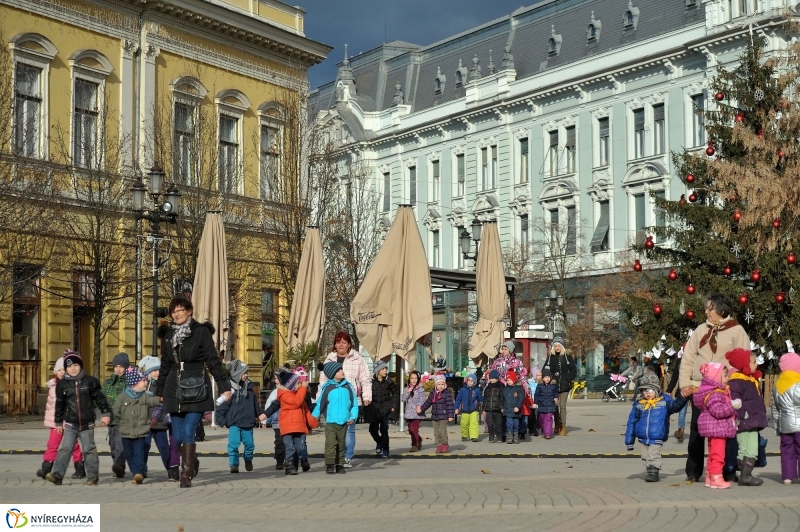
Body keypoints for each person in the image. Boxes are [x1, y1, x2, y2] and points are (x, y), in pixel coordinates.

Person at [155, 295, 231, 488]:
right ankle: (193, 460)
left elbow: (213, 360)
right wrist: (159, 390)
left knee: (189, 432)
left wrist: (224, 386)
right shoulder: (168, 335)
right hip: (174, 388)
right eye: (173, 311)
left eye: (180, 310)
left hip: (195, 386)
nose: (176, 314)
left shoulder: (200, 332)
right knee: (178, 436)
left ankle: (185, 474)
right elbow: (164, 365)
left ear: (189, 311)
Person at [679, 293, 750, 483]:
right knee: (696, 429)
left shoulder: (737, 331)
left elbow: (743, 360)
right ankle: (693, 471)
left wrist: (734, 384)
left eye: (709, 308)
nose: (706, 312)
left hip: (723, 390)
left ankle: (727, 470)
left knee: (726, 430)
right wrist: (685, 383)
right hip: (698, 388)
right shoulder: (700, 329)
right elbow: (688, 358)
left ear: (722, 310)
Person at [46, 351, 111, 486]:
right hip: (70, 423)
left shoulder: (90, 381)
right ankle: (57, 475)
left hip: (87, 423)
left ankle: (92, 477)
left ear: (80, 366)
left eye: (76, 365)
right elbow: (60, 405)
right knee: (65, 448)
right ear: (66, 369)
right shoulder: (62, 385)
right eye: (69, 367)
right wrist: (58, 422)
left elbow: (100, 399)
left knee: (89, 449)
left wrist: (106, 413)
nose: (73, 368)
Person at [318, 330, 372, 468]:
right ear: (334, 345)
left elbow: (365, 379)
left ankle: (347, 456)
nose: (340, 345)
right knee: (333, 430)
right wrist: (319, 402)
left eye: (344, 342)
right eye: (338, 342)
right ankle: (336, 456)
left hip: (350, 400)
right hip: (332, 402)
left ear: (349, 344)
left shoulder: (357, 358)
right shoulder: (329, 359)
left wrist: (366, 396)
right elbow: (322, 382)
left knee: (348, 430)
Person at [625, 372, 688, 482]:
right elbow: (632, 421)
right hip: (642, 435)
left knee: (653, 455)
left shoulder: (664, 401)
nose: (646, 393)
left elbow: (675, 406)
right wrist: (629, 441)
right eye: (644, 390)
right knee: (645, 456)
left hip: (657, 434)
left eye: (649, 390)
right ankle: (650, 469)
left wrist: (683, 397)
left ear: (656, 390)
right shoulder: (640, 403)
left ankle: (654, 471)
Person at [215, 360, 267, 474]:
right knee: (233, 445)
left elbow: (255, 404)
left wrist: (259, 415)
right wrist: (221, 420)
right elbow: (222, 407)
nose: (246, 375)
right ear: (237, 374)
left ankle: (248, 459)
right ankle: (234, 464)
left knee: (249, 445)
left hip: (248, 422)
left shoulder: (249, 388)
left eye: (247, 372)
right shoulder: (229, 390)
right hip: (233, 423)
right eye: (244, 373)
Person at [694, 362, 739, 489]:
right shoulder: (715, 393)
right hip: (717, 428)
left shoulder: (714, 392)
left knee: (713, 454)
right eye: (725, 376)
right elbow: (718, 411)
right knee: (718, 454)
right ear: (716, 378)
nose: (727, 378)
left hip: (714, 428)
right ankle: (716, 477)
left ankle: (710, 476)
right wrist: (732, 405)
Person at [113, 367, 161, 484]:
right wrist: (110, 418)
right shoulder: (122, 397)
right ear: (134, 383)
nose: (146, 382)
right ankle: (136, 471)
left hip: (141, 432)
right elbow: (115, 410)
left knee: (139, 453)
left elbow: (152, 401)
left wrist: (160, 399)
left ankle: (138, 473)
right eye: (143, 380)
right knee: (129, 454)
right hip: (126, 432)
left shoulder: (145, 396)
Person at [37, 356, 83, 480]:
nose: (61, 372)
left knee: (73, 445)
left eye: (64, 369)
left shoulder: (72, 385)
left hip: (69, 422)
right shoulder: (52, 386)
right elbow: (50, 406)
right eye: (59, 370)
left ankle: (80, 466)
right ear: (55, 372)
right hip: (55, 422)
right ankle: (46, 467)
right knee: (52, 444)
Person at [726, 348, 767, 486]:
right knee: (745, 448)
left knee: (752, 448)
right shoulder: (737, 382)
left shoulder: (751, 380)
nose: (756, 364)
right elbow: (735, 402)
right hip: (743, 421)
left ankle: (745, 474)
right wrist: (741, 416)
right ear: (745, 364)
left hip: (753, 421)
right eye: (754, 362)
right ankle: (745, 475)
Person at [138, 355, 179, 482]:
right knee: (144, 446)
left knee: (163, 447)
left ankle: (170, 469)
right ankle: (142, 469)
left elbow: (164, 402)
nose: (157, 373)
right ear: (148, 373)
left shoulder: (165, 384)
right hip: (145, 422)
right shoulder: (145, 385)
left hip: (160, 422)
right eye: (154, 371)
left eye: (159, 370)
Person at [313, 361, 359, 474]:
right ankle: (330, 464)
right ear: (332, 374)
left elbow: (354, 404)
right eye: (338, 370)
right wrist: (313, 417)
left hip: (344, 422)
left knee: (341, 444)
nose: (341, 371)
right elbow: (320, 404)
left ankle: (340, 465)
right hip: (330, 422)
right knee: (330, 444)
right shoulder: (328, 388)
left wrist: (353, 417)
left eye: (341, 369)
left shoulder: (348, 387)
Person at [772, 352, 800, 485]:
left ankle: (787, 477)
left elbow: (774, 408)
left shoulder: (777, 385)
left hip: (784, 425)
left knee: (787, 450)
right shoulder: (798, 384)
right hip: (799, 425)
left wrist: (777, 425)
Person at [277, 371, 312, 475]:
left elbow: (305, 410)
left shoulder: (297, 394)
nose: (299, 385)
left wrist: (312, 422)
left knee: (300, 447)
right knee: (290, 447)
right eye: (297, 383)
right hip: (288, 427)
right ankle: (288, 464)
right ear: (290, 385)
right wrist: (303, 388)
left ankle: (295, 464)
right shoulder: (284, 395)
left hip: (298, 426)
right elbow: (297, 402)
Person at [102, 351, 130, 478]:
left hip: (123, 419)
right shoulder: (108, 384)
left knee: (120, 444)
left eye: (121, 367)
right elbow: (100, 399)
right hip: (111, 419)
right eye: (116, 367)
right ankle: (117, 466)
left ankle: (119, 466)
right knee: (113, 445)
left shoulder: (129, 383)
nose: (118, 369)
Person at [543, 337, 576, 436]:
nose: (557, 348)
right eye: (555, 346)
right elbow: (545, 370)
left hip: (565, 385)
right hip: (553, 386)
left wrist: (568, 379)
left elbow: (573, 370)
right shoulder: (550, 358)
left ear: (562, 347)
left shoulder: (567, 357)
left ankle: (563, 426)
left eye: (559, 346)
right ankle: (557, 423)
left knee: (562, 406)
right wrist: (549, 379)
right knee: (555, 405)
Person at [364, 360, 396, 458]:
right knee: (372, 430)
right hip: (374, 410)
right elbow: (365, 392)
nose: (385, 370)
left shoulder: (389, 381)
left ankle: (385, 449)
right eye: (383, 369)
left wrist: (393, 405)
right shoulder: (370, 381)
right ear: (377, 371)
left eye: (386, 368)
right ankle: (379, 442)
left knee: (384, 429)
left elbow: (396, 393)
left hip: (385, 409)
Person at [417, 374, 454, 453]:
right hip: (435, 416)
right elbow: (428, 402)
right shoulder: (433, 393)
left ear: (445, 385)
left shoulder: (446, 394)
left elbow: (450, 405)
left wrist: (450, 415)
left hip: (443, 416)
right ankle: (438, 445)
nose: (440, 386)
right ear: (435, 385)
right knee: (436, 432)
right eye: (439, 384)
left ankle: (444, 444)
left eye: (442, 384)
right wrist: (421, 409)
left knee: (442, 431)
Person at [264, 371, 286, 470]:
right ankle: (280, 460)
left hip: (289, 422)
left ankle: (289, 460)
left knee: (289, 442)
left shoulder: (290, 391)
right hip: (277, 423)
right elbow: (269, 407)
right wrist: (265, 421)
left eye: (276, 378)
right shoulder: (274, 393)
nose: (275, 380)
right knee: (280, 442)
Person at [401, 370, 427, 452]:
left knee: (414, 429)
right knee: (410, 430)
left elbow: (422, 399)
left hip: (417, 413)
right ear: (409, 379)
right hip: (409, 413)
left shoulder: (420, 389)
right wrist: (408, 392)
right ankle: (418, 439)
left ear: (418, 379)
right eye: (412, 378)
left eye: (415, 378)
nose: (414, 380)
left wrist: (419, 407)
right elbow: (403, 399)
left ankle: (414, 445)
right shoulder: (406, 389)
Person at [454, 373, 483, 442]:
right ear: (467, 381)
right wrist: (456, 407)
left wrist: (484, 399)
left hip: (474, 409)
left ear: (475, 382)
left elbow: (480, 399)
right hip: (465, 409)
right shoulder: (463, 390)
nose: (470, 382)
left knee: (474, 422)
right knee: (464, 423)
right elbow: (458, 399)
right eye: (469, 380)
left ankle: (474, 436)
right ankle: (464, 435)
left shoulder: (477, 390)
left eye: (472, 381)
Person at [665, 357, 687, 443]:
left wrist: (669, 390)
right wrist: (669, 390)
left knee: (682, 413)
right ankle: (681, 430)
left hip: (684, 390)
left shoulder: (681, 360)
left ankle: (681, 430)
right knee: (683, 412)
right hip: (686, 391)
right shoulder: (680, 360)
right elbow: (675, 378)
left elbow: (674, 378)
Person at [534, 369, 559, 439]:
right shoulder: (539, 385)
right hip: (542, 405)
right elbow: (536, 394)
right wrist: (535, 403)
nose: (547, 379)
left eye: (548, 377)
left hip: (550, 405)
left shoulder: (553, 385)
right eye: (545, 377)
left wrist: (556, 397)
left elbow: (555, 393)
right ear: (543, 378)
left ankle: (548, 433)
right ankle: (543, 430)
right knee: (541, 420)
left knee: (548, 419)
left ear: (550, 378)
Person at [502, 370, 524, 444]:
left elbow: (521, 398)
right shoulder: (505, 389)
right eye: (507, 380)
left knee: (516, 424)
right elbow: (502, 399)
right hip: (508, 410)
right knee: (509, 424)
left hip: (516, 411)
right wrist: (502, 407)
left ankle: (516, 436)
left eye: (510, 380)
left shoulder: (518, 389)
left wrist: (518, 406)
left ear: (514, 380)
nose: (509, 381)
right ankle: (509, 436)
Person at [483, 370, 504, 443]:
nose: (491, 379)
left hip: (497, 409)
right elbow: (485, 399)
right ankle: (491, 436)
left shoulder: (501, 387)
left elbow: (502, 398)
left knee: (498, 423)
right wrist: (484, 409)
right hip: (489, 409)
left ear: (497, 378)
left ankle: (499, 436)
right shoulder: (487, 388)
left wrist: (502, 407)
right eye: (490, 378)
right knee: (490, 423)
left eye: (493, 378)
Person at [527, 368, 541, 437]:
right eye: (538, 375)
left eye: (540, 375)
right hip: (530, 402)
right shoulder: (529, 382)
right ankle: (530, 429)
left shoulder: (541, 383)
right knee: (531, 417)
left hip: (537, 403)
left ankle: (535, 429)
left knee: (536, 416)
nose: (540, 377)